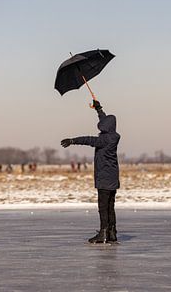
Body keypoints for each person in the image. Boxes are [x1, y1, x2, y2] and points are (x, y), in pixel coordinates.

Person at [61, 100, 120, 244]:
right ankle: (112, 232)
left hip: (104, 178)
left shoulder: (103, 140)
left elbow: (88, 139)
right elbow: (104, 120)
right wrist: (98, 109)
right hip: (112, 178)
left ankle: (103, 233)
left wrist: (73, 140)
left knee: (103, 207)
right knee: (110, 207)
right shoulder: (113, 136)